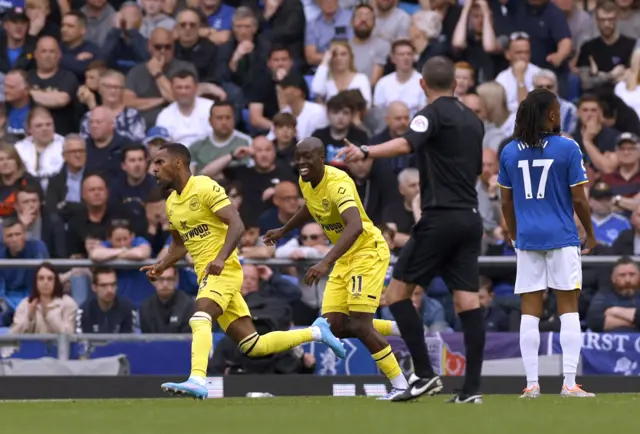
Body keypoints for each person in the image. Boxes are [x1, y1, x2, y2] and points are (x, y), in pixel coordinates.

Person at [142, 142, 344, 399]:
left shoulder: (204, 186)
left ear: (179, 163)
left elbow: (237, 225)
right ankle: (316, 332)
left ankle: (197, 379)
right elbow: (180, 246)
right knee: (253, 345)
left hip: (223, 271)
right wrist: (161, 266)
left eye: (159, 163)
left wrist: (221, 257)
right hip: (208, 273)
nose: (154, 169)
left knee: (200, 316)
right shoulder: (172, 202)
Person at [338, 55, 484, 403]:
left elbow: (407, 143)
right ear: (456, 84)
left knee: (396, 296)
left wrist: (365, 149)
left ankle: (425, 375)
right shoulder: (474, 120)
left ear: (422, 84)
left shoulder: (429, 115)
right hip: (470, 217)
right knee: (467, 302)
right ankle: (472, 390)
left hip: (440, 218)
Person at [264, 137, 407, 400]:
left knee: (361, 325)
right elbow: (311, 206)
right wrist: (284, 230)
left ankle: (401, 385)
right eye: (298, 157)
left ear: (321, 158)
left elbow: (355, 226)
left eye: (308, 157)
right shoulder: (305, 181)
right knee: (334, 327)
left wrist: (325, 261)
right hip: (345, 257)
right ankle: (402, 328)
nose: (302, 163)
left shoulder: (338, 182)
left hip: (366, 251)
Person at [498, 88, 596, 399]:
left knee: (530, 311)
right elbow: (579, 197)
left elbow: (505, 203)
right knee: (568, 309)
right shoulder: (568, 148)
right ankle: (569, 383)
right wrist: (590, 234)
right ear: (552, 115)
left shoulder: (509, 151)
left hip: (527, 238)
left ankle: (531, 384)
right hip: (561, 237)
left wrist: (515, 235)